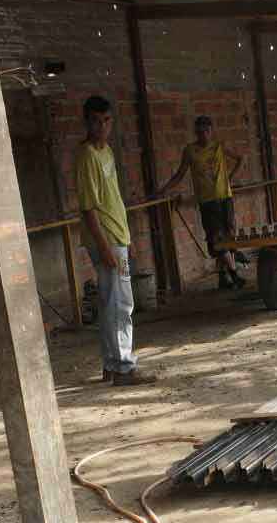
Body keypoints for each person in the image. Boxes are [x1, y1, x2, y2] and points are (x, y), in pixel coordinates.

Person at [76, 94, 156, 385]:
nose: (102, 127)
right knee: (120, 305)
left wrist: (128, 236)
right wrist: (105, 245)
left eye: (106, 121)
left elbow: (114, 199)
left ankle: (111, 365)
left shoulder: (105, 152)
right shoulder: (86, 155)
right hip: (106, 239)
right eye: (95, 121)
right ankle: (123, 367)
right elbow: (88, 208)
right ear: (86, 122)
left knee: (114, 302)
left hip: (117, 236)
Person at [162, 114, 244, 289]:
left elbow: (240, 159)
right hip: (207, 202)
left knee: (229, 236)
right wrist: (164, 190)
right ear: (196, 133)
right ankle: (234, 273)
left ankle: (223, 277)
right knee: (217, 237)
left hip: (225, 198)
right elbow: (180, 173)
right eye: (200, 132)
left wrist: (230, 177)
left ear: (211, 131)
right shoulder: (190, 151)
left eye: (207, 131)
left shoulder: (219, 146)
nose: (203, 135)